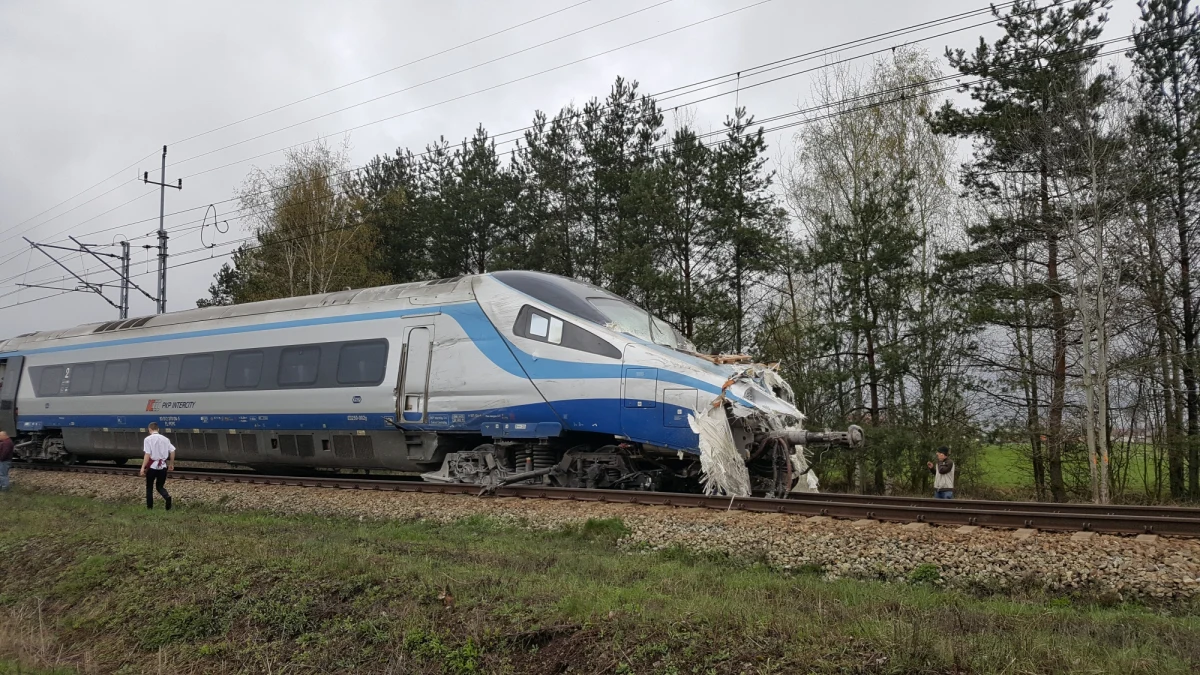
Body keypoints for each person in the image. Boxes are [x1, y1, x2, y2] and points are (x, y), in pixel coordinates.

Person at [139, 422, 174, 510]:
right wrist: (171, 464)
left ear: (149, 429)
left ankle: (150, 508)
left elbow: (147, 454)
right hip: (162, 466)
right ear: (158, 429)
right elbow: (172, 451)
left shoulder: (147, 439)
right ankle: (167, 497)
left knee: (149, 487)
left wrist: (143, 467)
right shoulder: (165, 439)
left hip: (152, 467)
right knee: (160, 486)